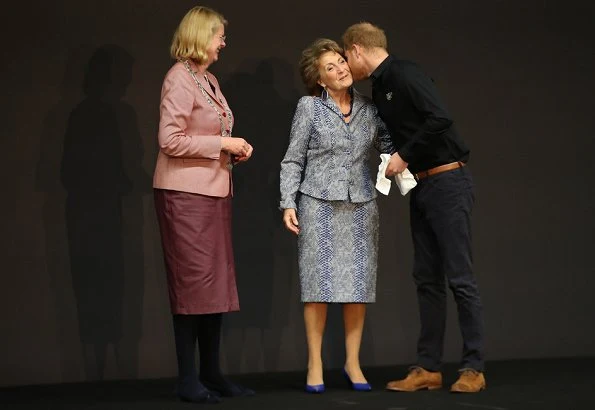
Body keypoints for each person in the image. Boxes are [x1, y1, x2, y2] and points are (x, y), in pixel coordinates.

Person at [341, 22, 486, 393]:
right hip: (422, 185)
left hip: (447, 181)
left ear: (357, 49)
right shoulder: (379, 86)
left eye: (345, 57)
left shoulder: (403, 73)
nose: (346, 64)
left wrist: (404, 155)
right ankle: (428, 367)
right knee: (426, 279)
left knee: (460, 278)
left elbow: (440, 118)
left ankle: (473, 368)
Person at [280, 38, 395, 394]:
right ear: (320, 79)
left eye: (342, 62)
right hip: (317, 205)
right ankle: (315, 362)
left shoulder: (370, 109)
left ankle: (352, 362)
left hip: (361, 205)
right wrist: (288, 202)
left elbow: (390, 146)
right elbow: (293, 158)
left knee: (357, 289)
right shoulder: (308, 108)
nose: (342, 69)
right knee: (317, 287)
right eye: (331, 67)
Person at [152, 6, 255, 403]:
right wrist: (222, 145)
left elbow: (211, 133)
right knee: (191, 287)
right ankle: (188, 378)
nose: (223, 43)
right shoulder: (178, 79)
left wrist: (233, 149)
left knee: (213, 287)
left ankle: (211, 373)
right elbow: (170, 139)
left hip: (212, 192)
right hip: (184, 197)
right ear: (200, 36)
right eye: (218, 36)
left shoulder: (206, 78)